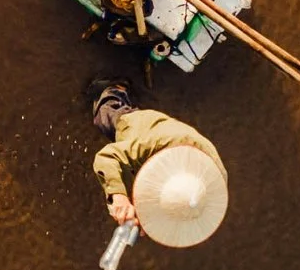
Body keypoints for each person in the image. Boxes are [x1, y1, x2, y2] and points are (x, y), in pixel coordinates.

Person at [88, 81, 228, 250]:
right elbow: (107, 157)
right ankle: (115, 89)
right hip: (142, 126)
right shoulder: (156, 143)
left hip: (172, 141)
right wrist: (119, 197)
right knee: (106, 115)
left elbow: (178, 200)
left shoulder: (204, 188)